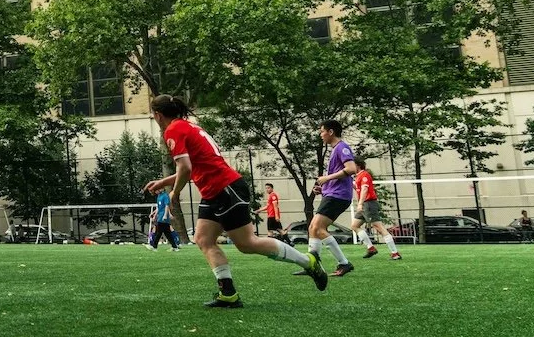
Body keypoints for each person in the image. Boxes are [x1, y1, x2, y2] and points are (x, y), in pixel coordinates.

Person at [142, 95, 327, 308]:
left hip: (225, 188)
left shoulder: (173, 130)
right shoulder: (188, 127)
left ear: (157, 115)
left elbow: (185, 168)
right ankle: (228, 293)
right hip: (215, 191)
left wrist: (174, 194)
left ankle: (309, 262)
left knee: (247, 243)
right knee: (203, 238)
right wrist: (164, 181)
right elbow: (197, 166)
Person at [304, 120, 357, 278]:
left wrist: (327, 178)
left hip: (338, 196)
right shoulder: (335, 150)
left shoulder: (342, 147)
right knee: (313, 228)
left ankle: (344, 263)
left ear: (331, 132)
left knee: (318, 228)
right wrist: (324, 188)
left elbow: (351, 169)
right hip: (333, 194)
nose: (321, 135)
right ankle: (312, 266)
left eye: (322, 131)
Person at [351, 160, 400, 260]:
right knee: (355, 226)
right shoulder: (358, 176)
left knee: (378, 227)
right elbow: (358, 189)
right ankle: (371, 248)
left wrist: (360, 203)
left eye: (352, 164)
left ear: (358, 165)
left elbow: (365, 189)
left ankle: (395, 253)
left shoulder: (365, 175)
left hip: (368, 204)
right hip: (365, 204)